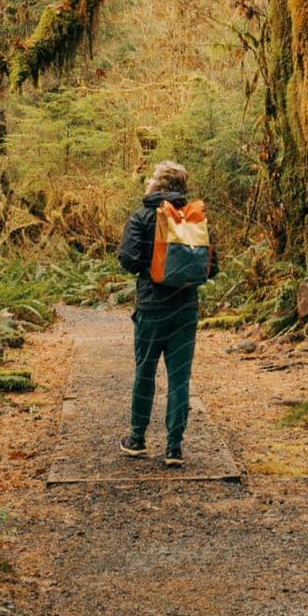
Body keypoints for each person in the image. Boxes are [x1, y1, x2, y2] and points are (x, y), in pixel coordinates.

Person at [117, 160, 217, 468]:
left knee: (145, 372)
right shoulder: (195, 220)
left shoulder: (142, 217)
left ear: (158, 186)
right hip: (186, 309)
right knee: (179, 378)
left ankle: (137, 439)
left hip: (151, 307)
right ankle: (174, 447)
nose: (146, 183)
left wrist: (151, 270)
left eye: (150, 179)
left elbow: (128, 259)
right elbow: (212, 267)